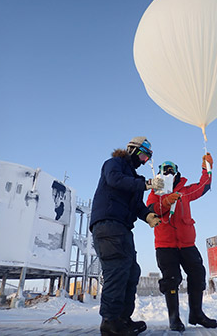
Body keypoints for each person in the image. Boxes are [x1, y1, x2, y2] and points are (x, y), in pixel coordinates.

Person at [89, 136, 163, 336]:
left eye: (148, 158)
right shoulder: (114, 164)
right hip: (108, 224)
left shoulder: (134, 179)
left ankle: (123, 320)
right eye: (144, 156)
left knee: (131, 272)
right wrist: (147, 184)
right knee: (117, 271)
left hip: (122, 229)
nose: (145, 161)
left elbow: (136, 205)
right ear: (133, 150)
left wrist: (147, 215)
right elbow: (115, 180)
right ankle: (110, 323)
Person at [146, 153, 217, 332]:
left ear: (177, 173)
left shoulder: (185, 192)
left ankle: (197, 314)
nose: (169, 172)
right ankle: (174, 318)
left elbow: (203, 186)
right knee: (171, 279)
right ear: (160, 173)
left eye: (172, 170)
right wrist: (165, 202)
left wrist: (207, 168)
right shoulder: (155, 193)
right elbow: (150, 209)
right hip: (165, 245)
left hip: (187, 244)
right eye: (165, 170)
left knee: (197, 274)